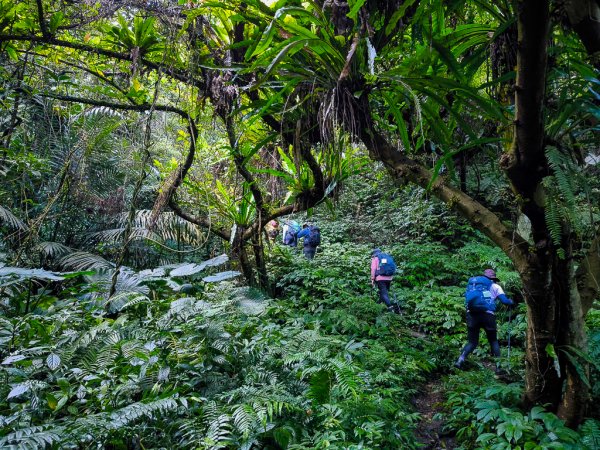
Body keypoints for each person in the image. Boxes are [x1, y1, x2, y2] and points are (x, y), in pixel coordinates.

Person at [454, 268, 514, 374]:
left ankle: (460, 360)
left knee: (472, 342)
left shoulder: (473, 286)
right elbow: (504, 301)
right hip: (488, 316)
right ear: (494, 278)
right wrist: (510, 301)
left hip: (472, 315)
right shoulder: (495, 286)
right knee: (493, 341)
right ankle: (499, 368)